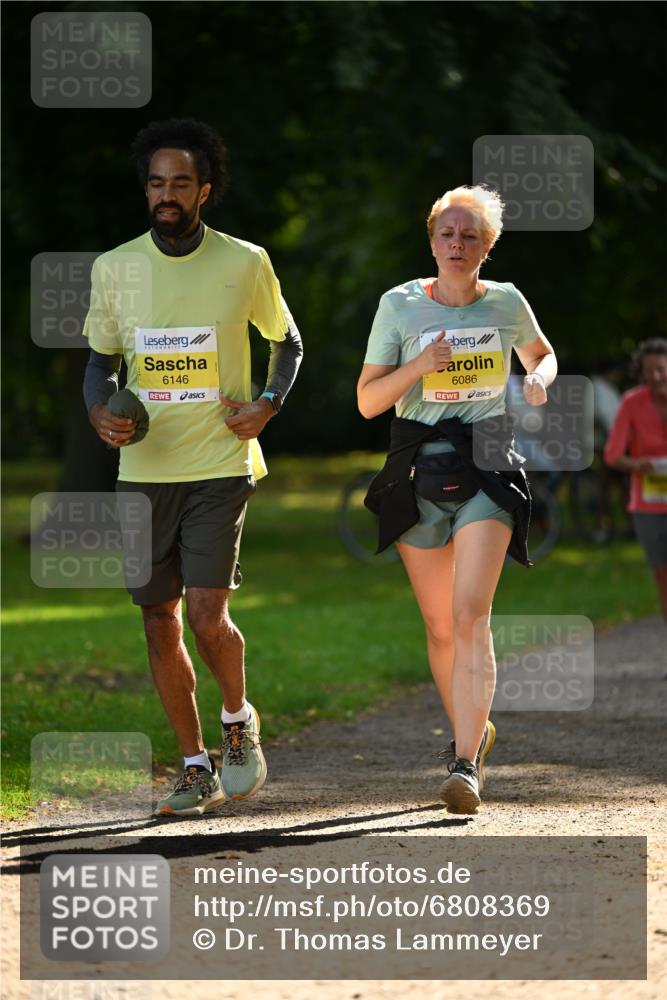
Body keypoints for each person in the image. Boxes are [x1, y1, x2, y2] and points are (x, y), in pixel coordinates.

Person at [82, 118, 303, 816]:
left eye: (181, 182)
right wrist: (99, 413)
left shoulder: (245, 261)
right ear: (145, 189)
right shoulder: (114, 267)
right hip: (145, 470)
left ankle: (237, 721)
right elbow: (100, 363)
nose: (166, 194)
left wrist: (266, 403)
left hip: (219, 460)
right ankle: (193, 764)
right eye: (156, 182)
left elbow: (287, 342)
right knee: (158, 619)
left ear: (203, 190)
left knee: (208, 617)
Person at [357, 185, 556, 815]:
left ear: (486, 247)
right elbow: (367, 401)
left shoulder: (506, 302)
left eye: (471, 235)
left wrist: (537, 381)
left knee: (471, 614)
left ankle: (465, 764)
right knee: (440, 627)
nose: (458, 243)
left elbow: (541, 354)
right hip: (419, 470)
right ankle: (475, 726)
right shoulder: (399, 305)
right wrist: (419, 365)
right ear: (432, 240)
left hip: (489, 467)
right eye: (448, 233)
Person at [604, 338, 667, 619]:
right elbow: (612, 454)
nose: (656, 376)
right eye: (649, 371)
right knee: (664, 581)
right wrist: (637, 464)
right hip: (648, 507)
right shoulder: (632, 402)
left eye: (662, 369)